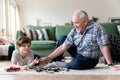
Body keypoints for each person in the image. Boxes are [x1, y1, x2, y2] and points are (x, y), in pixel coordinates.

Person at [40, 10, 120, 70]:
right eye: (73, 23)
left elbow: (103, 47)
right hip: (78, 53)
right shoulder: (74, 31)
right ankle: (52, 63)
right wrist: (48, 58)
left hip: (90, 59)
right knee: (62, 39)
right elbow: (63, 47)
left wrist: (110, 65)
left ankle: (59, 64)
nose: (74, 25)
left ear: (85, 22)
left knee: (77, 64)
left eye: (76, 23)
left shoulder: (97, 28)